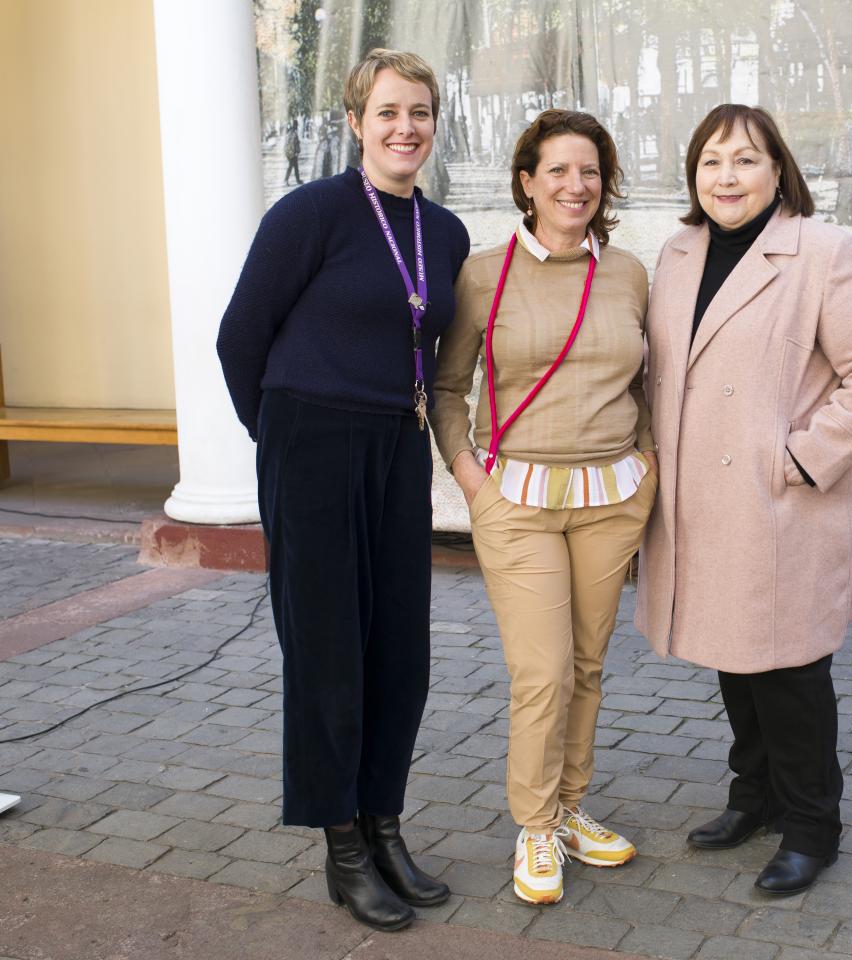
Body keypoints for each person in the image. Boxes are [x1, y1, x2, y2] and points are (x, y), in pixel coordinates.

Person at [216, 49, 470, 932]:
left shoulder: (445, 234)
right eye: (390, 111)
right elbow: (239, 337)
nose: (407, 128)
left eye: (421, 113)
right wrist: (281, 438)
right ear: (356, 122)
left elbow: (433, 347)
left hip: (397, 448)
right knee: (328, 652)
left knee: (399, 648)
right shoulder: (309, 214)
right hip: (312, 444)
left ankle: (386, 823)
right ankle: (343, 848)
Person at [636, 104, 852, 896]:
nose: (726, 176)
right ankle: (751, 797)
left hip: (779, 501)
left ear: (779, 171)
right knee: (735, 653)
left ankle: (812, 826)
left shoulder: (822, 252)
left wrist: (803, 456)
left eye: (745, 160)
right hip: (701, 500)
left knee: (789, 670)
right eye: (711, 160)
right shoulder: (680, 251)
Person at [429, 109, 657, 906]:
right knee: (543, 672)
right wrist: (470, 478)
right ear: (527, 182)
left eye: (589, 170)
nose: (576, 185)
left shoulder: (629, 272)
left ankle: (568, 809)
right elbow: (447, 384)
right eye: (557, 170)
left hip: (609, 500)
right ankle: (532, 825)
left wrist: (650, 467)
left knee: (588, 668)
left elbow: (648, 382)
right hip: (515, 502)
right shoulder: (483, 274)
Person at [284, 120, 303, 186]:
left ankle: (298, 180)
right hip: (292, 152)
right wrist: (297, 151)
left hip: (289, 152)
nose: (297, 127)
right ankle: (286, 180)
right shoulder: (293, 133)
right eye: (297, 125)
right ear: (295, 125)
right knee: (291, 166)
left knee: (295, 167)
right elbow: (294, 144)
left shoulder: (290, 132)